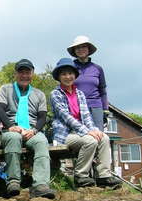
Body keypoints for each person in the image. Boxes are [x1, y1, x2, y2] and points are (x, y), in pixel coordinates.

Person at [50, 58, 122, 188]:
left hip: (81, 132)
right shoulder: (55, 94)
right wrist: (87, 132)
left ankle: (103, 176)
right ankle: (81, 176)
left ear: (75, 75)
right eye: (64, 74)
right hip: (65, 134)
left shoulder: (80, 94)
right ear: (59, 77)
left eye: (70, 73)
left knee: (103, 137)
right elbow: (67, 118)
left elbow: (87, 116)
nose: (68, 77)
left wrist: (94, 129)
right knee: (91, 141)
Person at [0, 59, 56, 199]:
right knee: (13, 138)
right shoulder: (5, 89)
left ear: (32, 74)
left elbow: (42, 117)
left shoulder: (39, 94)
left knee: (42, 141)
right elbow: (0, 110)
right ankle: (13, 181)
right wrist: (11, 126)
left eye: (27, 72)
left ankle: (41, 185)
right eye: (21, 72)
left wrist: (34, 130)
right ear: (16, 74)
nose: (24, 75)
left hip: (31, 131)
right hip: (10, 129)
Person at [67, 35, 109, 131]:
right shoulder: (70, 68)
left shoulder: (97, 68)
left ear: (89, 49)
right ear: (74, 51)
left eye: (83, 46)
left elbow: (103, 91)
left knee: (99, 136)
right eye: (77, 47)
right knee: (80, 136)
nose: (80, 49)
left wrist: (105, 110)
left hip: (96, 107)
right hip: (76, 107)